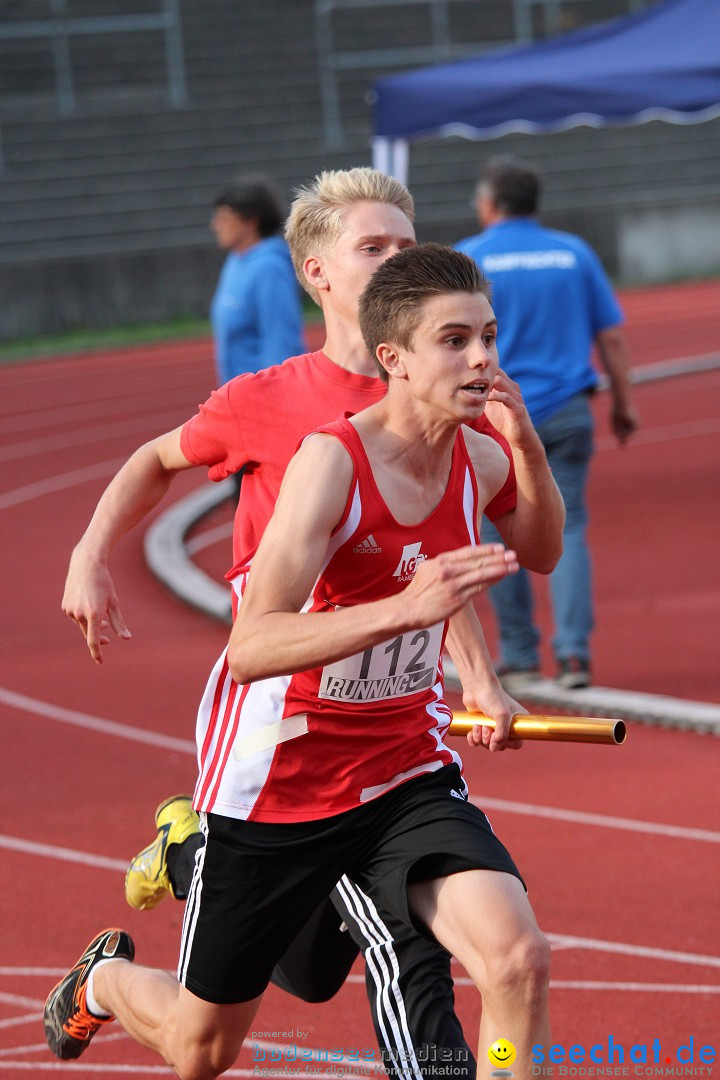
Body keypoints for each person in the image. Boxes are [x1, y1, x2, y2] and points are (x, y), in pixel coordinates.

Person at [55, 168, 564, 1076]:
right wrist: (89, 552)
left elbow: (438, 560)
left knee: (510, 957)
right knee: (203, 1050)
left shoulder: (462, 422)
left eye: (407, 246)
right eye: (374, 248)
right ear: (317, 272)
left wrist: (477, 674)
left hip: (399, 754)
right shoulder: (280, 412)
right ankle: (123, 959)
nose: (396, 261)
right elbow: (162, 470)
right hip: (279, 748)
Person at [456, 156, 639, 690]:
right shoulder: (573, 252)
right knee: (571, 525)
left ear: (490, 204)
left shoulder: (469, 258)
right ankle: (575, 655)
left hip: (496, 413)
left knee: (496, 531)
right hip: (567, 410)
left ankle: (518, 653)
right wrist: (624, 402)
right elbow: (612, 337)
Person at [210, 173, 306, 384]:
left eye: (224, 218)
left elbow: (281, 343)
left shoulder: (270, 268)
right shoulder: (236, 259)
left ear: (251, 222)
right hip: (237, 395)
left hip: (262, 396)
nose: (215, 225)